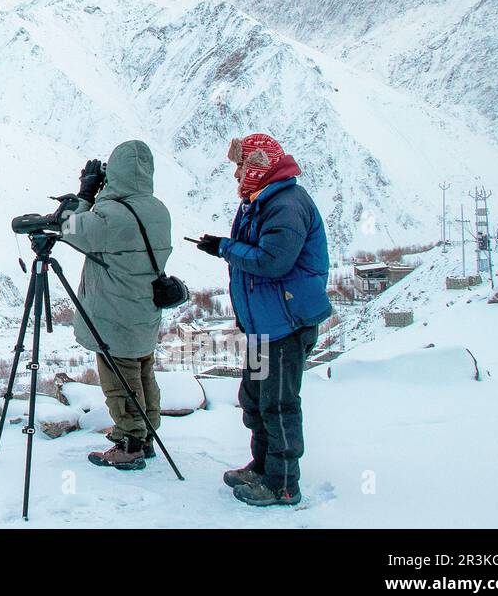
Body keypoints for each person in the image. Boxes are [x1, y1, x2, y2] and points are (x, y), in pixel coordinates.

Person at [195, 133, 331, 507]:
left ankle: (283, 484)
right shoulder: (259, 202)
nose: (237, 173)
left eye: (241, 166)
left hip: (286, 325)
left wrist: (224, 247)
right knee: (254, 401)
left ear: (258, 166)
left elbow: (273, 261)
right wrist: (224, 246)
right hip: (262, 326)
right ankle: (262, 466)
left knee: (279, 405)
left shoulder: (286, 204)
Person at [57, 139, 172, 471]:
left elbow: (70, 226)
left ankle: (129, 442)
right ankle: (146, 435)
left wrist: (85, 194)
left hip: (114, 315)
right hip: (144, 312)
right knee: (143, 373)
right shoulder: (158, 210)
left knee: (120, 381)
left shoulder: (112, 216)